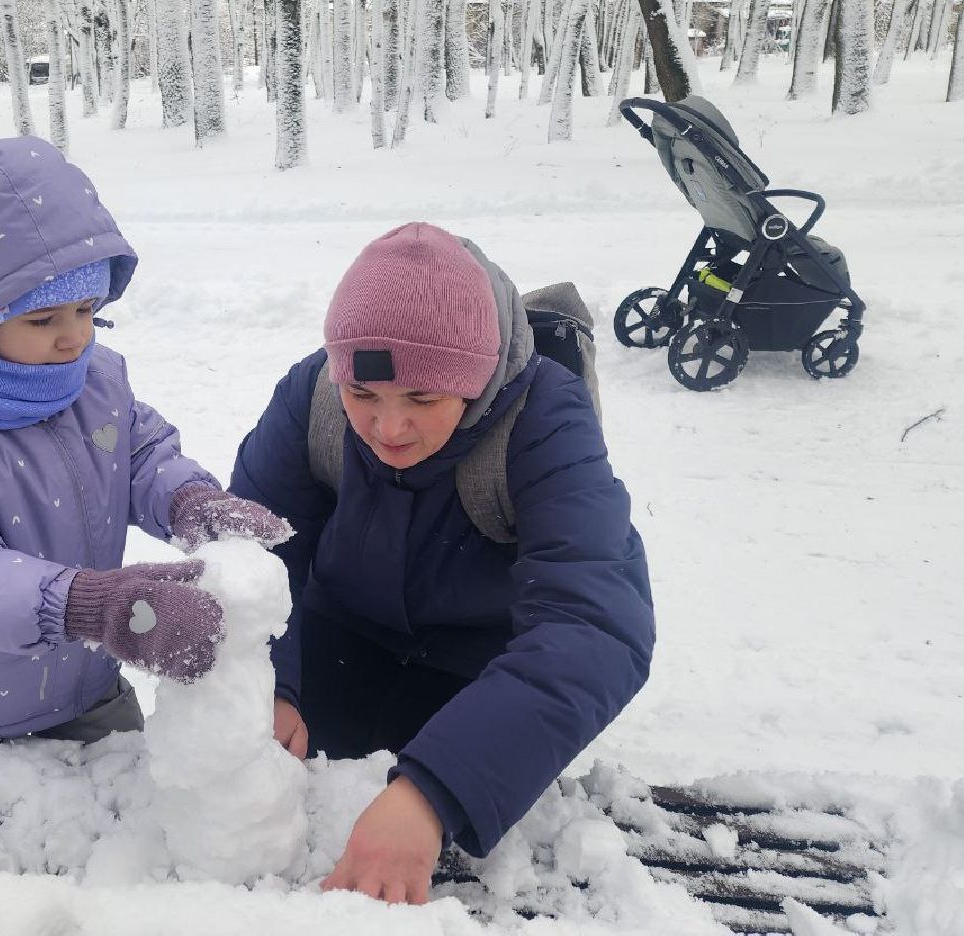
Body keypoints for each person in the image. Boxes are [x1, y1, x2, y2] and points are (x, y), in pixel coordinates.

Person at [230, 222, 654, 903]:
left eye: (423, 400)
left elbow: (596, 627)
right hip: (342, 638)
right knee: (292, 816)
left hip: (479, 667)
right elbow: (251, 551)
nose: (388, 428)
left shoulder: (547, 421)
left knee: (415, 835)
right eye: (363, 395)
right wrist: (269, 682)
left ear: (477, 378)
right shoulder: (313, 397)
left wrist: (434, 794)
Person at [0, 137, 288, 749]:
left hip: (90, 687)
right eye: (43, 320)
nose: (75, 338)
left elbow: (141, 456)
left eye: (88, 308)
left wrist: (186, 501)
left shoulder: (94, 379)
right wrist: (93, 606)